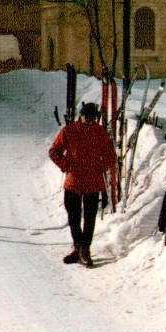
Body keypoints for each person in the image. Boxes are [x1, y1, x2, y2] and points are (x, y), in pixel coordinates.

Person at [48, 101, 116, 267]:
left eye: (93, 117)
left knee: (90, 217)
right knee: (73, 216)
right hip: (73, 182)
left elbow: (110, 156)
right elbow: (54, 151)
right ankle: (77, 246)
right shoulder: (69, 131)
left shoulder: (100, 132)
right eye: (87, 116)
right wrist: (65, 165)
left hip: (93, 182)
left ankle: (85, 249)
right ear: (81, 115)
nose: (90, 120)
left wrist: (100, 167)